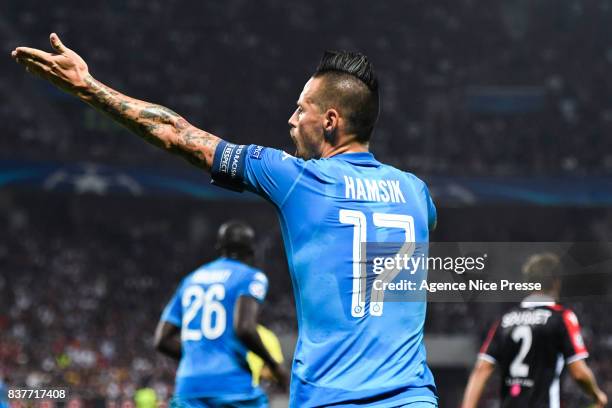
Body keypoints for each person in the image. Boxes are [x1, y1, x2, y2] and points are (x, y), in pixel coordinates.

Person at [11, 34, 438, 407]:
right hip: (414, 398)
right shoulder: (417, 193)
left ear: (330, 121)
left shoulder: (295, 179)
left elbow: (176, 133)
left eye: (300, 109)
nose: (291, 120)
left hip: (331, 398)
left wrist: (88, 88)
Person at [154, 220, 287, 407]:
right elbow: (245, 328)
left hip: (188, 387)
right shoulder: (251, 276)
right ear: (251, 251)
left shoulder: (191, 279)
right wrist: (276, 367)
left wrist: (200, 355)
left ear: (219, 247)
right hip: (231, 385)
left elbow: (161, 340)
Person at [462, 253, 608, 408]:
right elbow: (578, 372)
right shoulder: (561, 317)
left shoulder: (504, 321)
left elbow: (481, 370)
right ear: (556, 282)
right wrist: (596, 394)